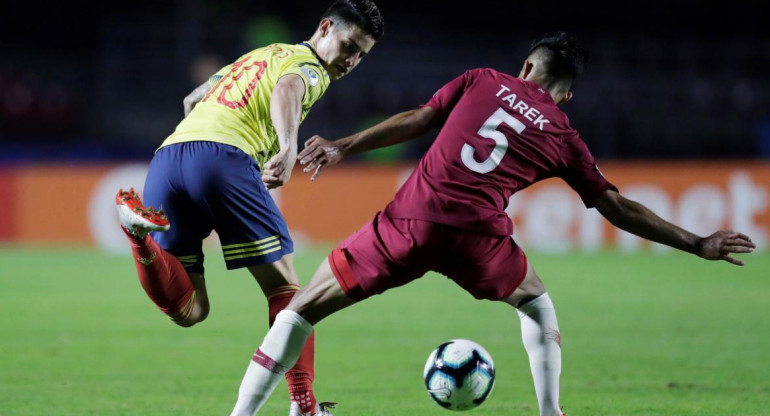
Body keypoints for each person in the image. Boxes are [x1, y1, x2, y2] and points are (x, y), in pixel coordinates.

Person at [225, 32, 756, 416]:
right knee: (536, 302)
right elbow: (616, 207)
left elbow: (419, 119)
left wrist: (344, 145)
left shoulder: (482, 79)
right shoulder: (563, 133)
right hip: (478, 238)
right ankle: (551, 412)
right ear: (566, 94)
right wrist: (696, 242)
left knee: (298, 313)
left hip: (409, 221)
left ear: (527, 67)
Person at [113, 2, 384, 416]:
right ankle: (304, 405)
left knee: (190, 310)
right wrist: (288, 146)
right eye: (348, 45)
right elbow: (288, 89)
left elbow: (194, 97)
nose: (350, 61)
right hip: (224, 159)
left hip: (167, 159)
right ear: (325, 27)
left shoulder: (263, 53)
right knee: (291, 293)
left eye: (361, 55)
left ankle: (139, 239)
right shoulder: (310, 66)